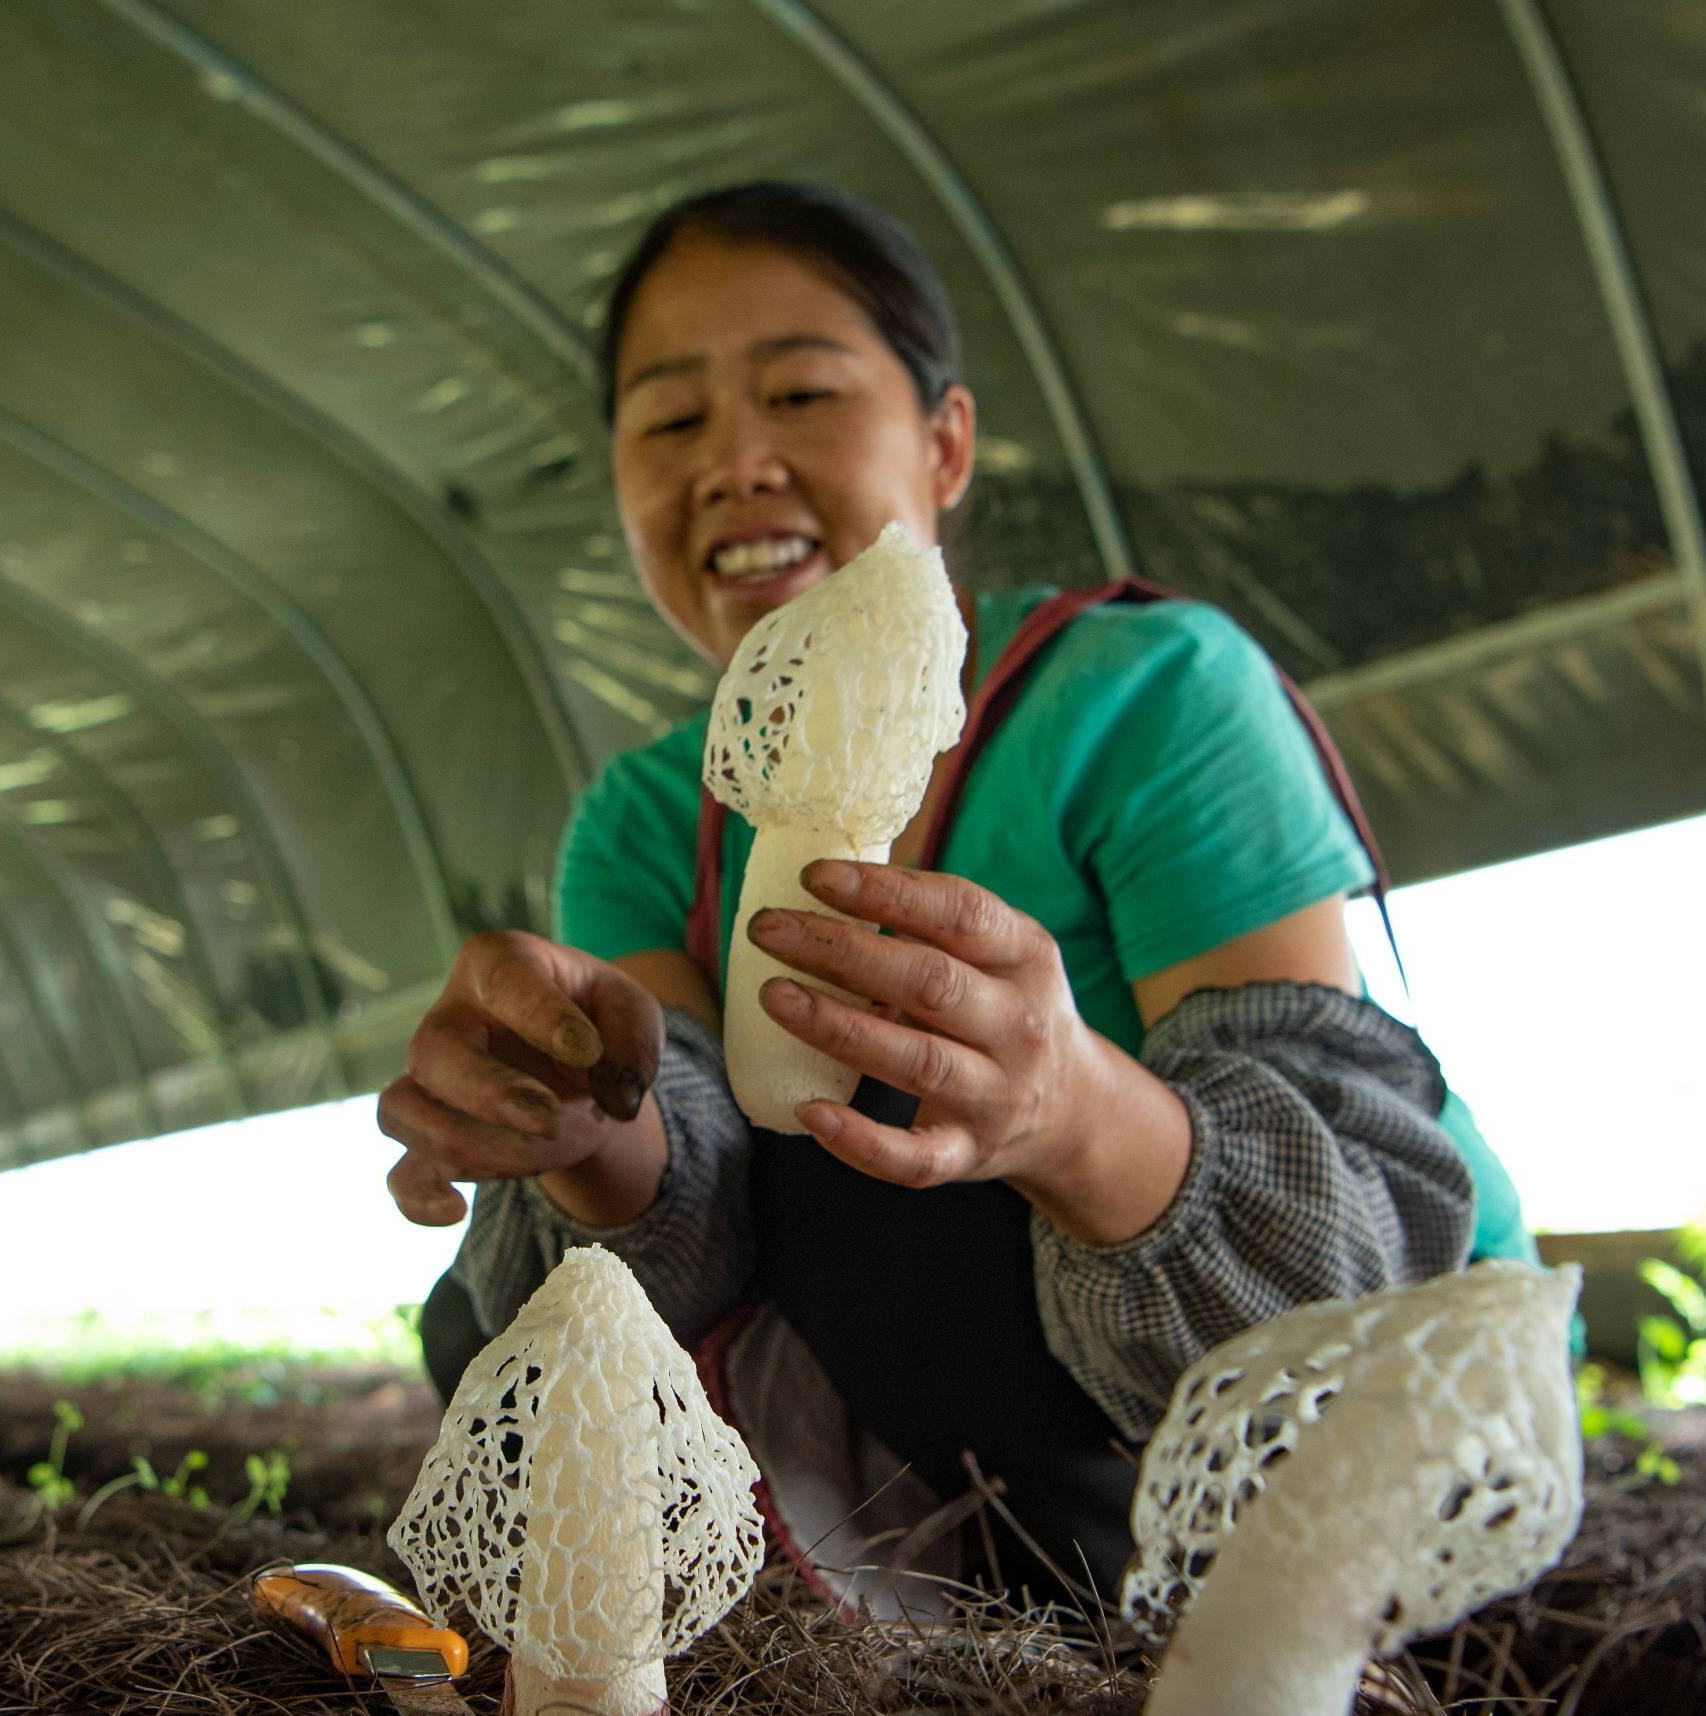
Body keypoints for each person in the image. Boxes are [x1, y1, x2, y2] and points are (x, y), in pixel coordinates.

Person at [379, 182, 1536, 1607]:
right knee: (492, 1315)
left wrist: (1064, 1106)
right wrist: (571, 1119)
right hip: (956, 1403)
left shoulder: (1147, 695)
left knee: (885, 1188)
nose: (737, 462)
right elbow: (696, 1193)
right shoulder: (641, 822)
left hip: (1327, 1395)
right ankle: (961, 1612)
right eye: (672, 422)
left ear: (945, 444)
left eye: (802, 392)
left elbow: (1338, 1228)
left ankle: (1175, 1628)